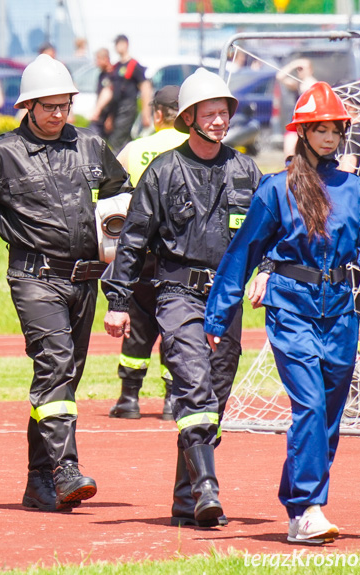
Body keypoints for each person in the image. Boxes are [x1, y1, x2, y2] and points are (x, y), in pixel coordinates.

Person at [205, 82, 360, 544]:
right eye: (319, 129)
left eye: (335, 130)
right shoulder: (276, 188)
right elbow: (242, 255)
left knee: (327, 419)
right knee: (308, 407)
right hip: (291, 310)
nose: (328, 138)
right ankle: (308, 509)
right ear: (302, 133)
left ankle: (296, 502)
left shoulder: (353, 189)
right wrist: (217, 315)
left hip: (342, 314)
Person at [0, 54, 129, 512]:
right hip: (34, 279)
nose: (57, 115)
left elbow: (123, 203)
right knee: (55, 365)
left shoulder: (92, 147)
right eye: (48, 106)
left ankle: (39, 481)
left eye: (64, 106)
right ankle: (66, 469)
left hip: (85, 282)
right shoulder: (0, 155)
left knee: (63, 377)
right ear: (27, 106)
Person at [102, 68, 262, 528]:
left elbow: (267, 232)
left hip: (226, 298)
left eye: (223, 112)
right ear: (188, 118)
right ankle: (208, 489)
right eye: (209, 113)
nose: (218, 120)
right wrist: (117, 301)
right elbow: (132, 240)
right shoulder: (164, 170)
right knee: (192, 385)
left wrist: (265, 272)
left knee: (214, 396)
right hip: (176, 292)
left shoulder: (245, 169)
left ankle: (185, 500)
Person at [107, 85, 188, 420]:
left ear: (157, 114)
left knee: (138, 321)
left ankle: (129, 398)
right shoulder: (193, 148)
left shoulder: (136, 149)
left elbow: (110, 193)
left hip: (141, 252)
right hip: (181, 253)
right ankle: (172, 400)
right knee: (177, 325)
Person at [102, 35, 153, 154]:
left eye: (118, 43)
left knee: (116, 141)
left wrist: (146, 113)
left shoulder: (134, 65)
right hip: (116, 109)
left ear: (125, 44)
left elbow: (146, 88)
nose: (116, 47)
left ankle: (115, 169)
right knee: (122, 141)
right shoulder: (116, 66)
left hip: (127, 108)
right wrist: (110, 116)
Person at [276, 58, 317, 158]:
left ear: (310, 70)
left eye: (302, 68)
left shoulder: (315, 85)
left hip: (310, 124)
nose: (300, 71)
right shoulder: (297, 84)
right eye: (298, 69)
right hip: (296, 122)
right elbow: (279, 77)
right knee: (289, 153)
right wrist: (292, 65)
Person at [88, 48, 114, 139]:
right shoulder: (101, 75)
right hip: (100, 115)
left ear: (105, 59)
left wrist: (111, 118)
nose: (96, 63)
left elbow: (115, 98)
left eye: (98, 59)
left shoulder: (113, 75)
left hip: (109, 116)